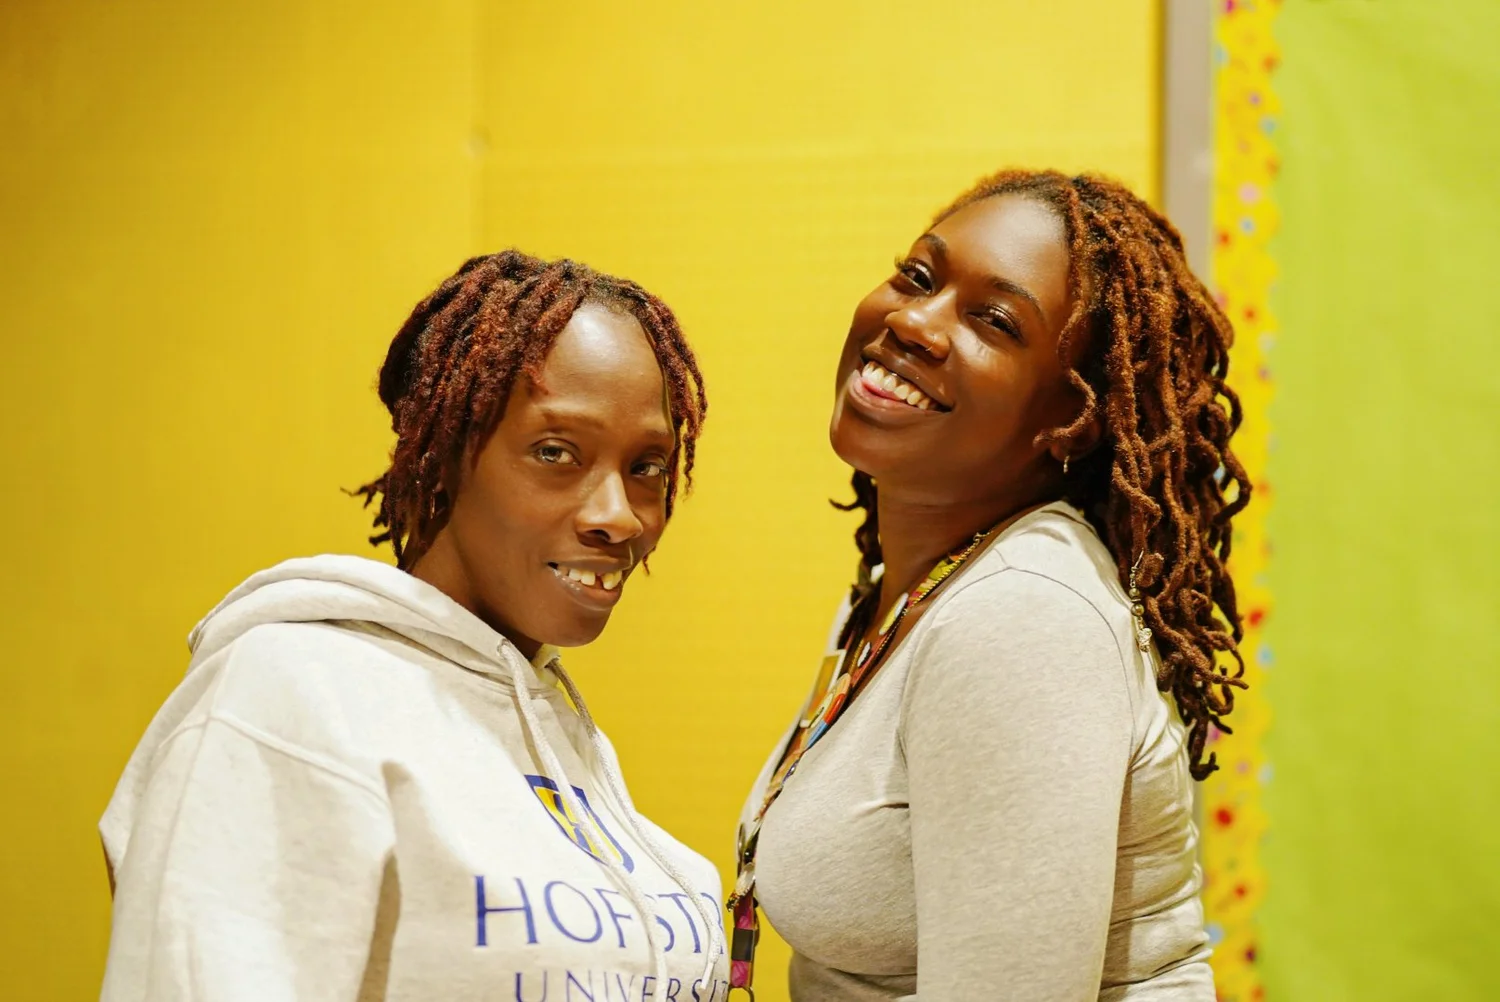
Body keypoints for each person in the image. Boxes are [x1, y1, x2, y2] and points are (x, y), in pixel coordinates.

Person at [100, 250, 727, 1001]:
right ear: (439, 458)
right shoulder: (289, 695)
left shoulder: (568, 743)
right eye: (555, 453)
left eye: (648, 467)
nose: (617, 516)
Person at [733, 170, 1251, 1001]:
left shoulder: (1023, 618)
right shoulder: (908, 591)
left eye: (995, 321)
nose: (912, 321)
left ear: (1071, 419)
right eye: (919, 276)